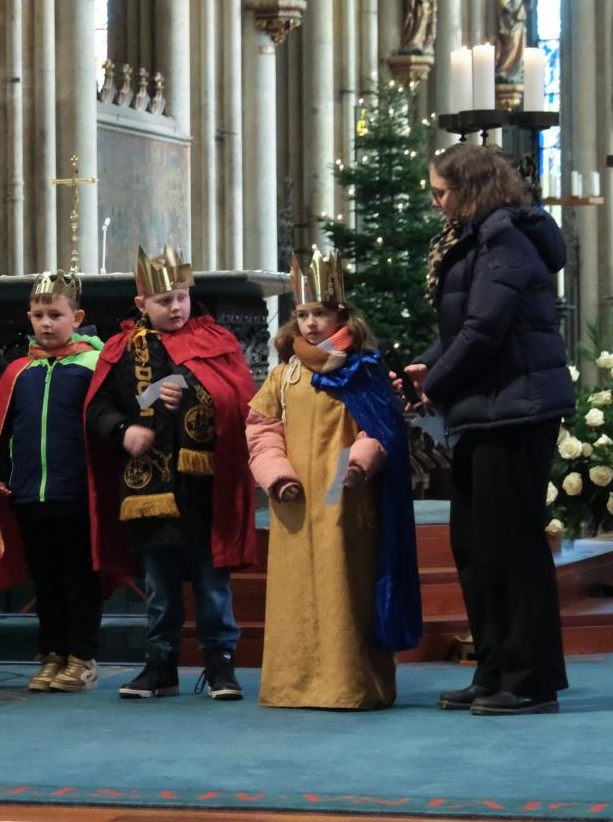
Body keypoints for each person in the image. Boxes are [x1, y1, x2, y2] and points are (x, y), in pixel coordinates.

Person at [406, 142, 574, 715]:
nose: (436, 202)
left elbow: (484, 331)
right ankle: (495, 668)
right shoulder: (476, 237)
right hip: (486, 408)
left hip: (518, 409)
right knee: (475, 546)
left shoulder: (506, 240)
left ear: (470, 189)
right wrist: (428, 364)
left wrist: (434, 385)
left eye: (441, 192)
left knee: (512, 545)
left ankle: (530, 681)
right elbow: (463, 331)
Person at [245, 250, 422, 710]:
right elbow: (262, 428)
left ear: (341, 315)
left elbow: (379, 429)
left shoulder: (361, 369)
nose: (309, 323)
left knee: (344, 588)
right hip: (294, 497)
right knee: (297, 591)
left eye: (319, 313)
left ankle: (349, 684)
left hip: (345, 492)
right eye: (302, 314)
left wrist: (354, 468)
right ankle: (293, 684)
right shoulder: (285, 374)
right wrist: (277, 475)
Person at [85, 245, 257, 700]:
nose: (176, 307)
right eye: (165, 301)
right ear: (142, 303)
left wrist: (193, 390)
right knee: (159, 588)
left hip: (204, 490)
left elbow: (239, 398)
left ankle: (220, 665)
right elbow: (98, 408)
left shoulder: (216, 340)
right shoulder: (121, 350)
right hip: (149, 489)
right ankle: (160, 665)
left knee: (211, 583)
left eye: (182, 297)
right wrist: (124, 429)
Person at [0, 269, 107, 692]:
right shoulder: (20, 371)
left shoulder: (94, 364)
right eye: (38, 316)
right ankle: (52, 654)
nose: (46, 324)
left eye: (55, 315)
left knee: (79, 578)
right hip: (31, 493)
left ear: (77, 317)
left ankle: (82, 656)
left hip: (77, 491)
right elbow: (1, 429)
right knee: (46, 580)